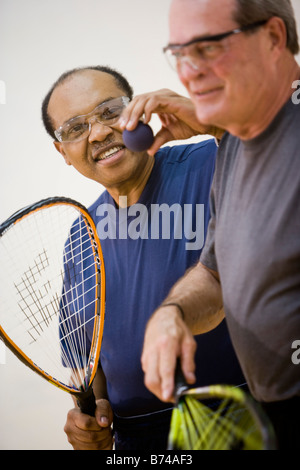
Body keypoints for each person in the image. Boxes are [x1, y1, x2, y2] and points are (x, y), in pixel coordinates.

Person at [41, 65, 245, 450]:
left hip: (244, 420)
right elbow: (87, 362)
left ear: (137, 111)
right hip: (138, 443)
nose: (99, 133)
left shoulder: (218, 159)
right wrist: (92, 416)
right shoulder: (80, 236)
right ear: (63, 151)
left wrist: (217, 123)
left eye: (108, 112)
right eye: (75, 128)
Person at [133, 0, 300, 449]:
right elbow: (216, 272)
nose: (188, 71)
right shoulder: (234, 142)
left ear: (273, 38)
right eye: (179, 53)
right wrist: (173, 315)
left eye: (207, 48)